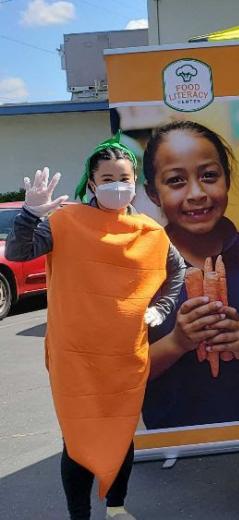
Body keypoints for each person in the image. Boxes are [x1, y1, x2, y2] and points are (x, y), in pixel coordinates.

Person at [4, 134, 185, 520]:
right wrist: (29, 215)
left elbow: (176, 271)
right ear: (91, 183)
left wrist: (163, 306)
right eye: (107, 178)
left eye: (124, 177)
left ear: (135, 181)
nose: (117, 185)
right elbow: (19, 253)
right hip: (75, 356)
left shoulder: (150, 232)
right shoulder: (65, 222)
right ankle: (79, 514)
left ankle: (116, 507)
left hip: (126, 354)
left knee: (120, 433)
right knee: (78, 437)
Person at [141, 120, 239, 429]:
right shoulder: (138, 269)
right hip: (170, 440)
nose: (196, 193)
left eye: (209, 176)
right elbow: (120, 374)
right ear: (153, 193)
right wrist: (177, 343)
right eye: (176, 181)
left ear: (227, 180)